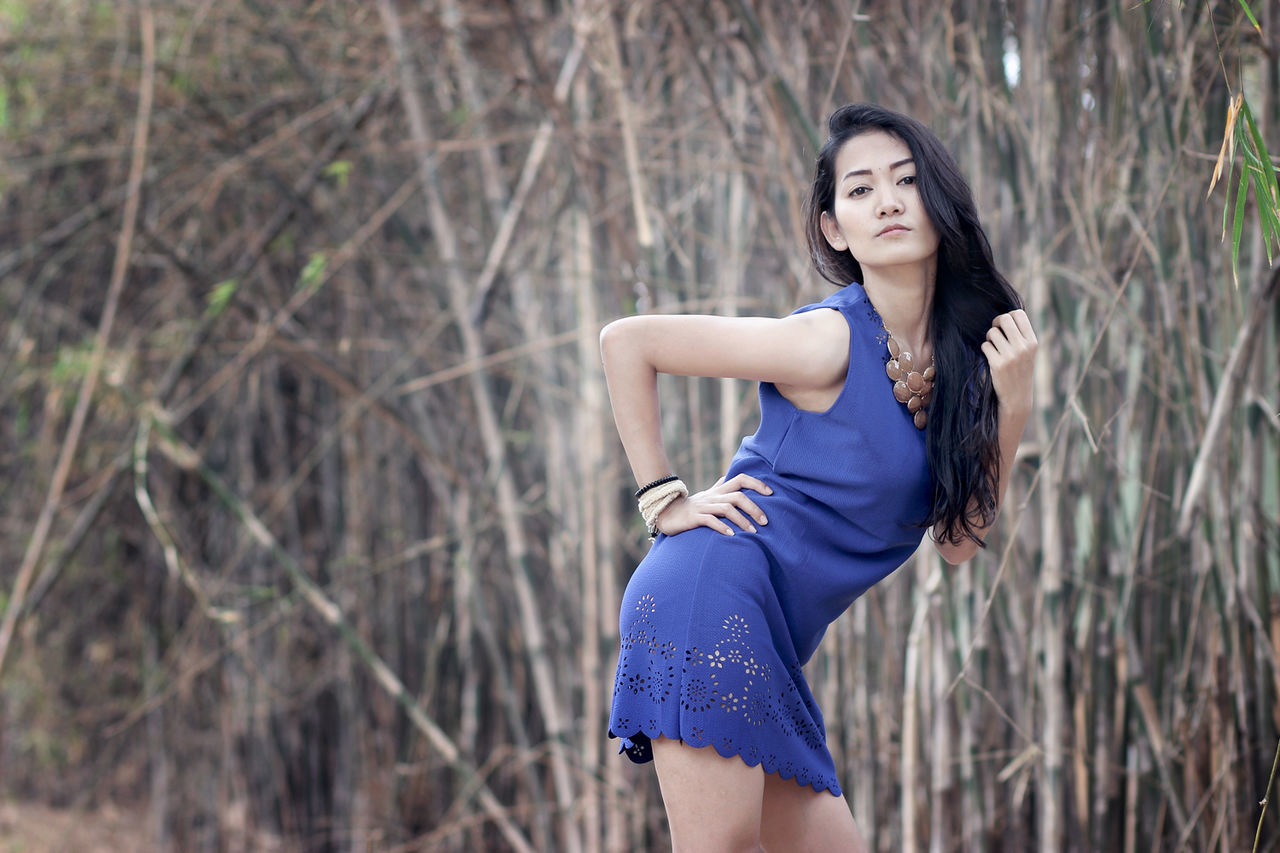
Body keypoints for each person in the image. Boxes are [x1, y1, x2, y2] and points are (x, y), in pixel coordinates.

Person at [599, 103, 1038, 852]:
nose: (889, 200)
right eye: (860, 189)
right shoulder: (827, 339)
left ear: (940, 202)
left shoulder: (964, 361)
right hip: (708, 597)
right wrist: (663, 498)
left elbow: (960, 543)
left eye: (906, 181)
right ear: (834, 226)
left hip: (767, 639)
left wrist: (1016, 402)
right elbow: (628, 342)